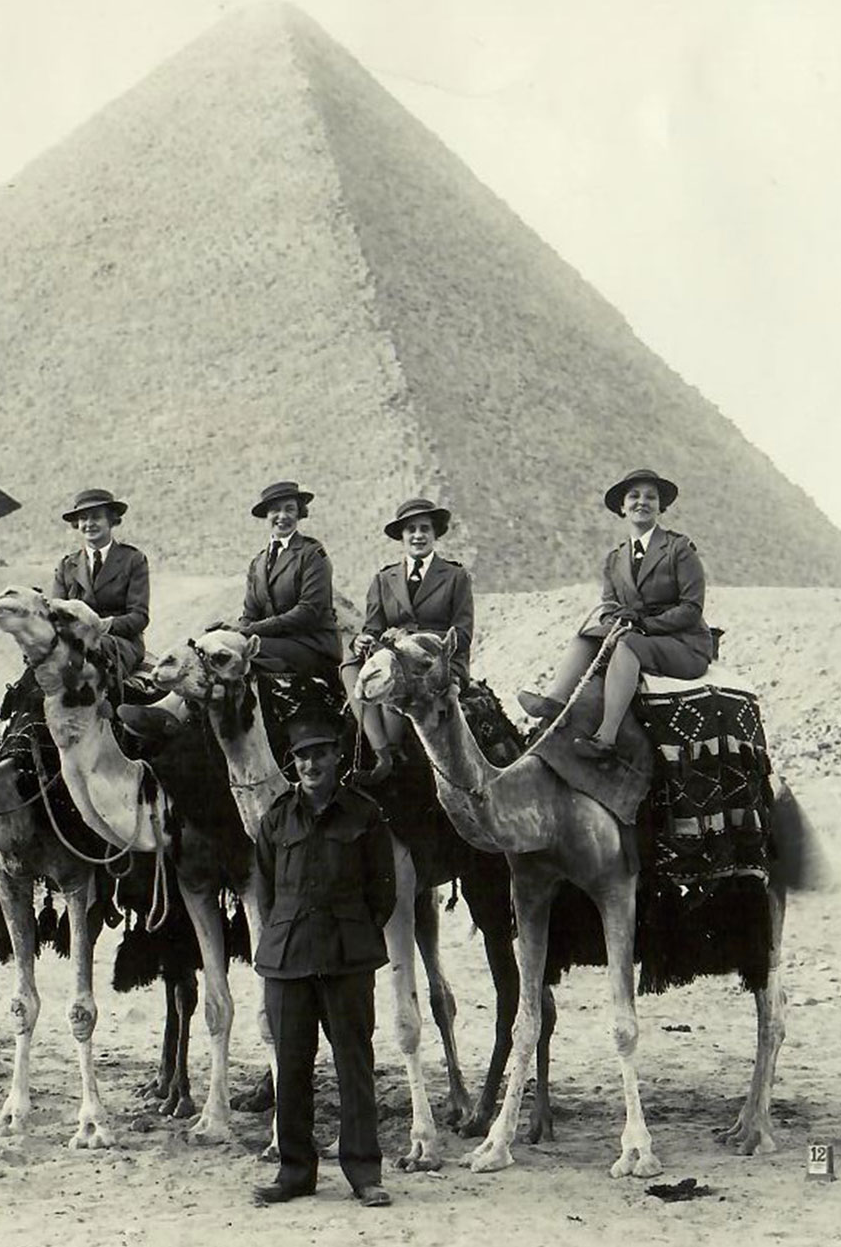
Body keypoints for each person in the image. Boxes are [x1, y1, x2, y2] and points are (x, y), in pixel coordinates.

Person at [250, 715, 396, 1210]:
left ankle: (364, 1173)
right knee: (291, 1068)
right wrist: (286, 935)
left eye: (319, 753)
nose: (310, 763)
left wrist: (351, 932)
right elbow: (265, 894)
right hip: (287, 960)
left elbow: (384, 891)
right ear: (293, 763)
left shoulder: (365, 814)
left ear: (337, 756)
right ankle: (294, 1173)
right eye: (301, 756)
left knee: (354, 1064)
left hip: (347, 959)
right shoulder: (276, 819)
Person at [518, 468, 716, 761]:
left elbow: (691, 608)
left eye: (651, 497)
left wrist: (643, 625)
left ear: (661, 506)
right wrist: (614, 619)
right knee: (585, 638)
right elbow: (609, 606)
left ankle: (605, 738)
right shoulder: (614, 559)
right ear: (622, 508)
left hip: (682, 642)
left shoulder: (679, 549)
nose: (642, 502)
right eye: (633, 496)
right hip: (636, 634)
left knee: (627, 646)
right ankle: (557, 701)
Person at [340, 497, 474, 784]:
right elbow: (373, 627)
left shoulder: (454, 576)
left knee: (396, 672)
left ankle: (395, 749)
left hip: (435, 660)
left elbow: (461, 635)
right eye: (410, 529)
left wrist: (412, 639)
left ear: (435, 534)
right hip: (393, 655)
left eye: (425, 528)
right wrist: (363, 641)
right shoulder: (383, 578)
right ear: (401, 536)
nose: (418, 535)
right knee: (349, 662)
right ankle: (382, 751)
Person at [235, 481, 341, 682]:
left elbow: (308, 611)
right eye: (275, 510)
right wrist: (237, 631)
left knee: (237, 654)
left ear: (299, 514)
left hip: (312, 646)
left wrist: (250, 631)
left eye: (289, 509)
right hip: (272, 644)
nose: (282, 516)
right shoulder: (257, 562)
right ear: (266, 515)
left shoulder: (312, 553)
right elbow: (250, 613)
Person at [50, 487, 150, 677]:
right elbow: (56, 613)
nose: (89, 524)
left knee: (95, 664)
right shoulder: (66, 565)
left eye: (96, 517)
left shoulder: (133, 559)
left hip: (119, 643)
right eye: (83, 519)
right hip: (73, 642)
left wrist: (103, 625)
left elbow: (139, 617)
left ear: (111, 520)